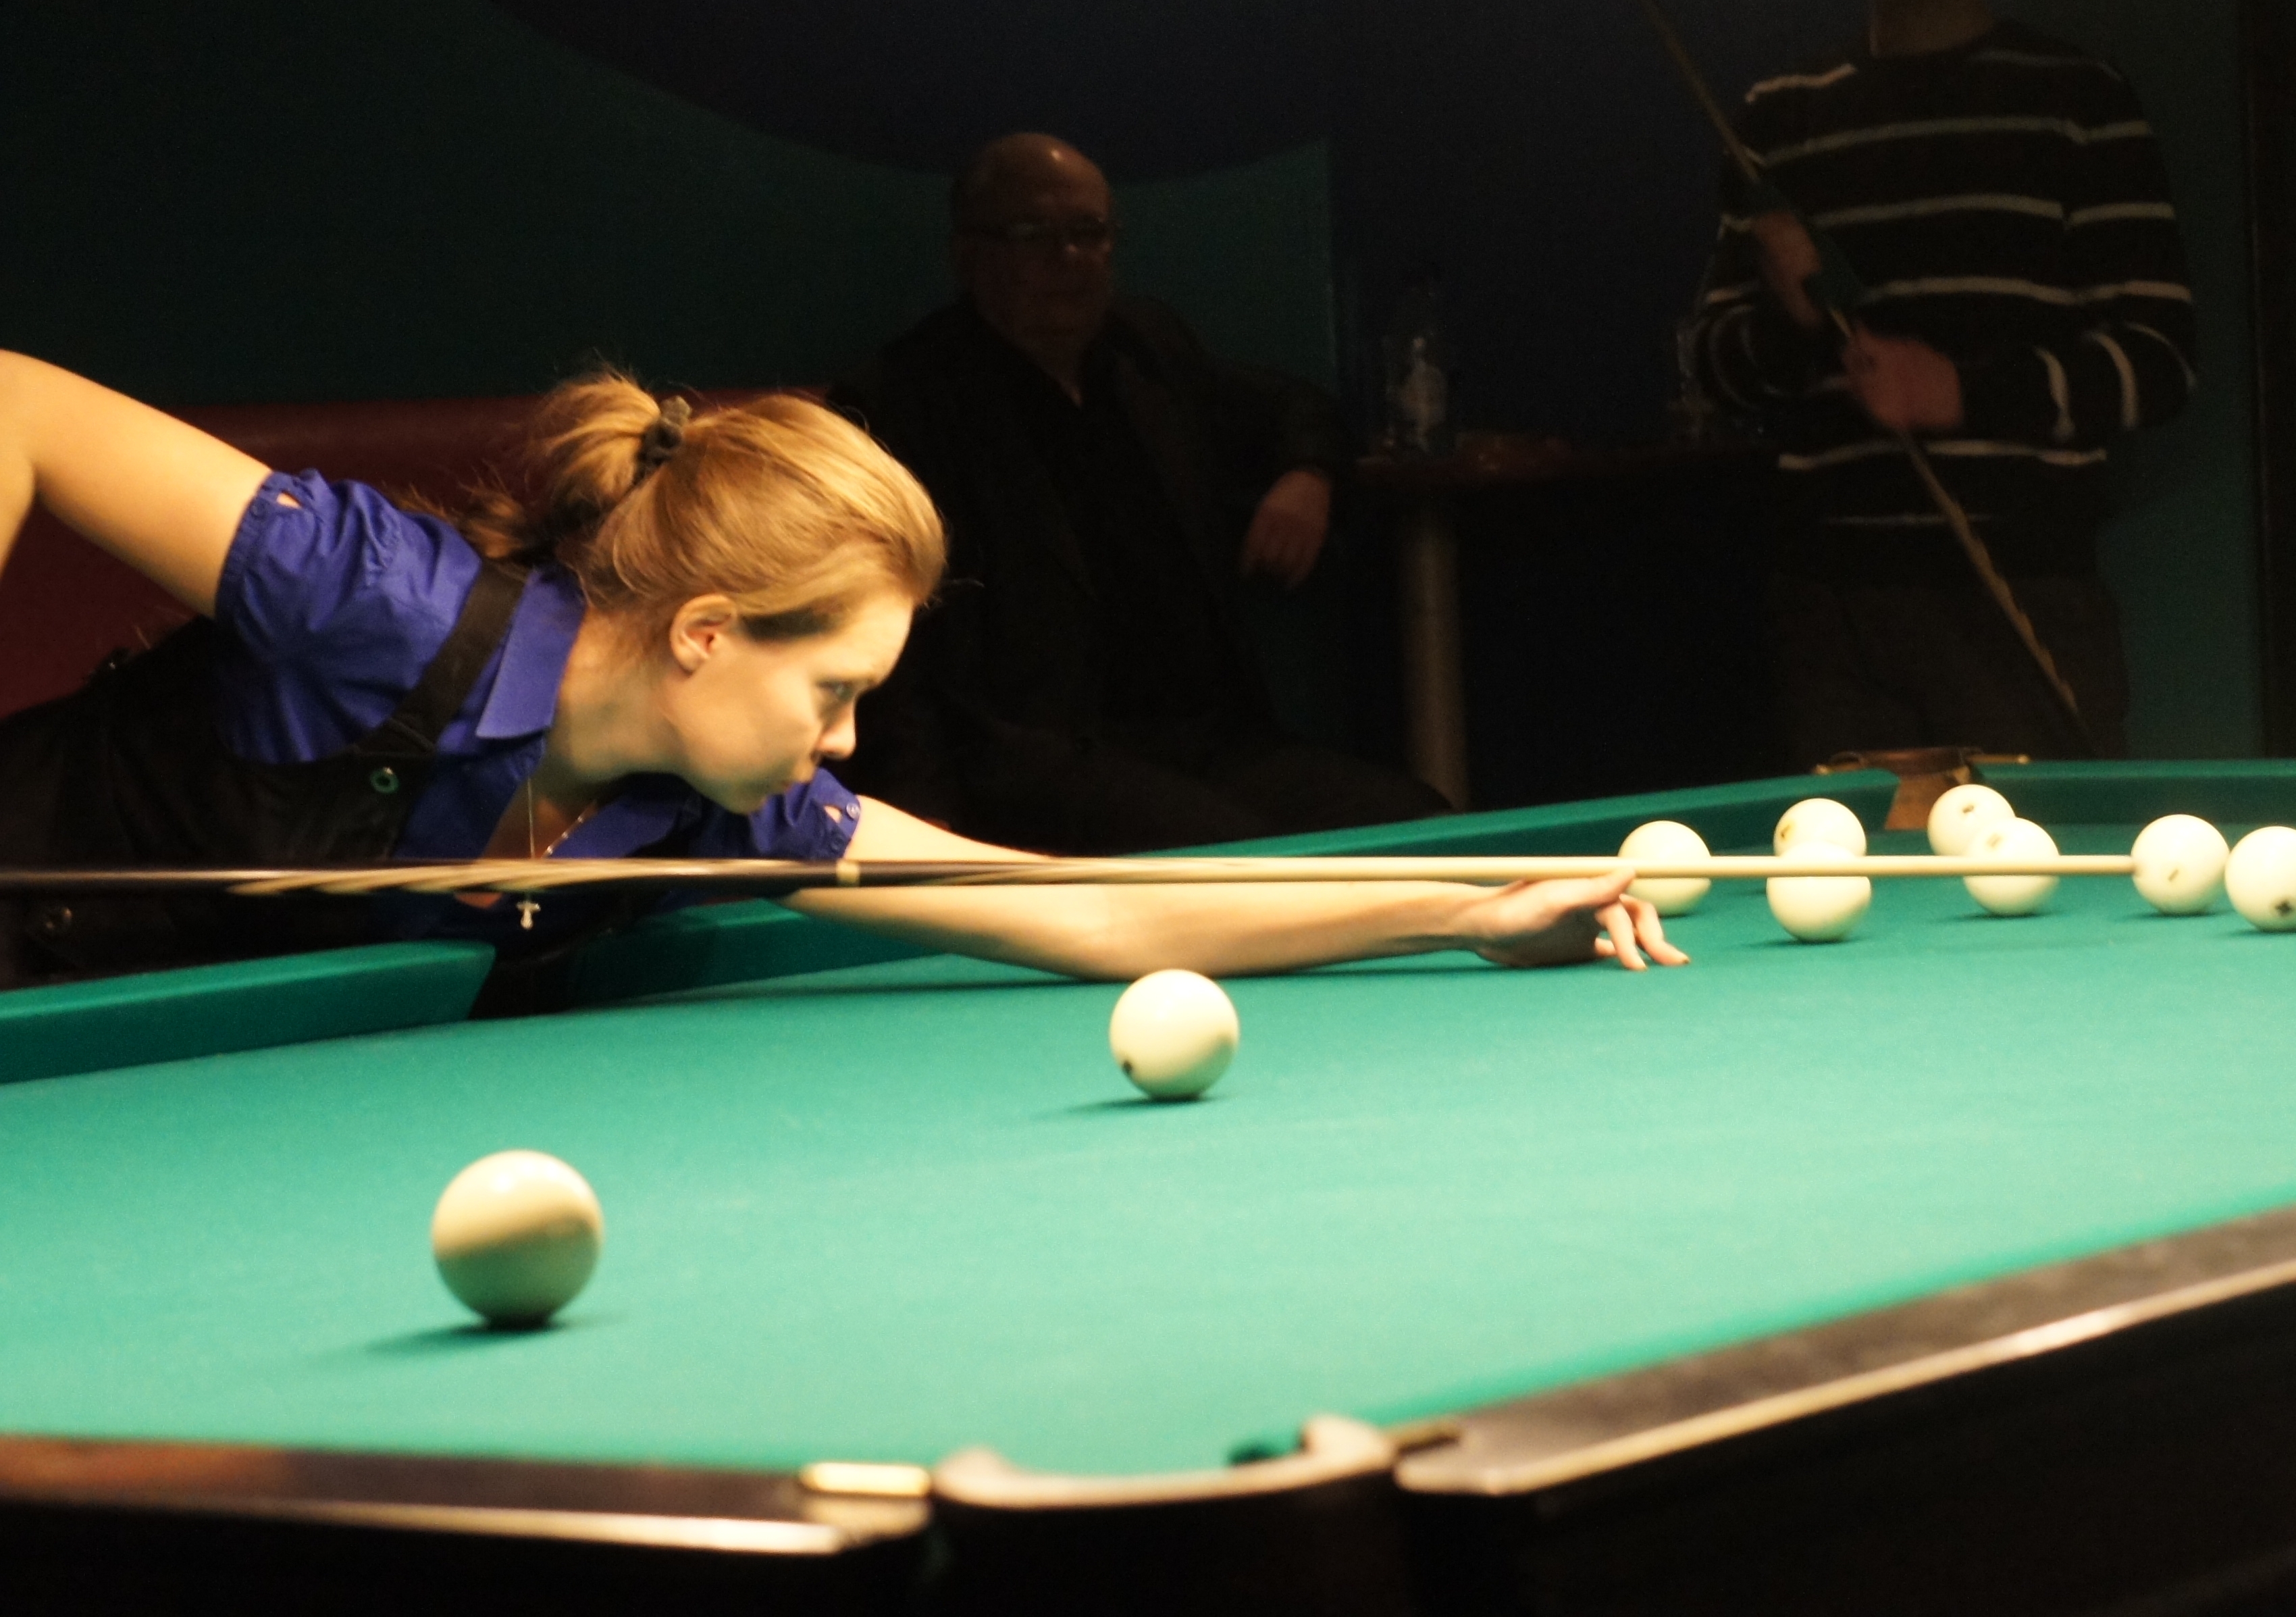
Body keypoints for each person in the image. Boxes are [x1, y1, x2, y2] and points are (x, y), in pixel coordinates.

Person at [0, 354, 1679, 997]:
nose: (850, 740)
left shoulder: (715, 806)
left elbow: (1090, 908)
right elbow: (24, 406)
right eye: (834, 690)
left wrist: (1463, 906)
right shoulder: (376, 596)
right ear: (707, 632)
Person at [1685, 0, 2195, 766]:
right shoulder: (1778, 116)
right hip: (1831, 594)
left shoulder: (2077, 103)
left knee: (2039, 855)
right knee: (1839, 860)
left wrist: (1958, 392)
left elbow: (2160, 360)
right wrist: (1791, 325)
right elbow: (1712, 365)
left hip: (2018, 580)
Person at [833, 134, 1446, 854]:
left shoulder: (1148, 349)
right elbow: (886, 627)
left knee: (1419, 824)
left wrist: (1306, 476)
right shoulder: (902, 401)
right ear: (969, 254)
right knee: (1234, 859)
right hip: (1040, 757)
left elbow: (1296, 408)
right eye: (1036, 235)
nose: (1071, 258)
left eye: (1089, 232)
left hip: (1214, 737)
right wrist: (919, 806)